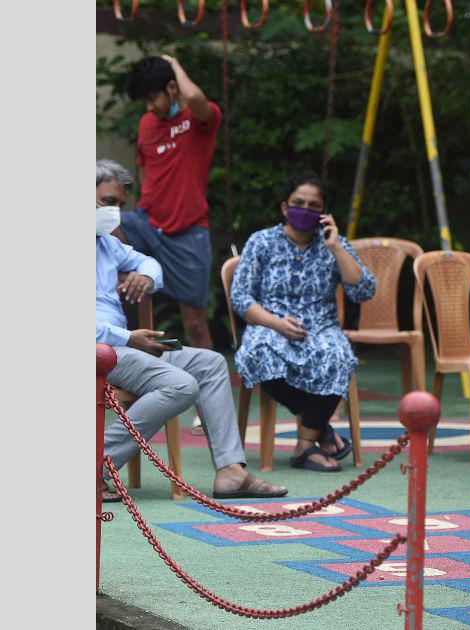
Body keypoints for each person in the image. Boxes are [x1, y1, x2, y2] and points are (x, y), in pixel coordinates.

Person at [96, 159, 287, 502]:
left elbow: (149, 262)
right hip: (102, 350)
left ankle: (230, 471)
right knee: (180, 385)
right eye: (109, 202)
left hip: (121, 352)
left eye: (121, 204)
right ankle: (96, 466)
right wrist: (128, 338)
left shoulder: (106, 245)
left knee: (210, 363)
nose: (116, 212)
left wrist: (147, 276)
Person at [230, 173, 377, 473]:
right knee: (258, 352)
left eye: (314, 206)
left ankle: (304, 446)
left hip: (320, 328)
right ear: (285, 207)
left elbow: (363, 291)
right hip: (269, 325)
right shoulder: (261, 242)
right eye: (298, 203)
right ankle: (319, 428)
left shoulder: (334, 244)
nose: (305, 210)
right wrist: (276, 323)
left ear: (324, 213)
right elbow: (241, 298)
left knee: (338, 356)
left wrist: (336, 248)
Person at [123, 54, 223, 436]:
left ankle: (207, 404)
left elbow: (196, 98)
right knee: (105, 227)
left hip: (188, 232)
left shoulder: (198, 118)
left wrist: (175, 64)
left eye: (154, 97)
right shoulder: (148, 123)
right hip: (148, 222)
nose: (149, 108)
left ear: (171, 88)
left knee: (195, 323)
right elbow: (144, 175)